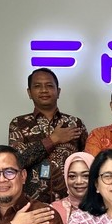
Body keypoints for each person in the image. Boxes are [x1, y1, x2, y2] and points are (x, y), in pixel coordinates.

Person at [9, 68, 88, 203]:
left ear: (58, 91)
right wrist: (53, 139)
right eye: (37, 86)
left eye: (49, 86)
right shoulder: (18, 124)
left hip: (72, 202)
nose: (44, 90)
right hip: (31, 203)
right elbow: (17, 162)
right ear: (29, 92)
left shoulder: (74, 123)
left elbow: (87, 161)